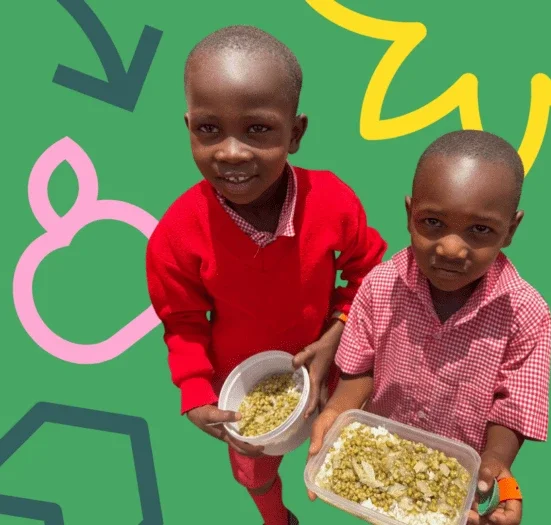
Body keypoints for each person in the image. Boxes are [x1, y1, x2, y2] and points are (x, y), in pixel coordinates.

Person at [145, 25, 387, 525]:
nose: (231, 153)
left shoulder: (332, 202)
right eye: (208, 130)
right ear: (188, 125)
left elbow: (370, 271)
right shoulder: (174, 236)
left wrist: (337, 333)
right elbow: (183, 321)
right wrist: (194, 393)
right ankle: (276, 517)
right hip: (244, 388)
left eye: (258, 129)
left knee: (356, 447)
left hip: (333, 362)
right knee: (254, 470)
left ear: (295, 133)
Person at [307, 130, 551, 525]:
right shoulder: (379, 286)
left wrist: (494, 465)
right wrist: (337, 409)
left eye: (480, 230)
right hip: (381, 464)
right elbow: (360, 370)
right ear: (409, 215)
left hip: (454, 484)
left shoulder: (526, 313)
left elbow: (514, 408)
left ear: (510, 229)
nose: (451, 248)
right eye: (433, 222)